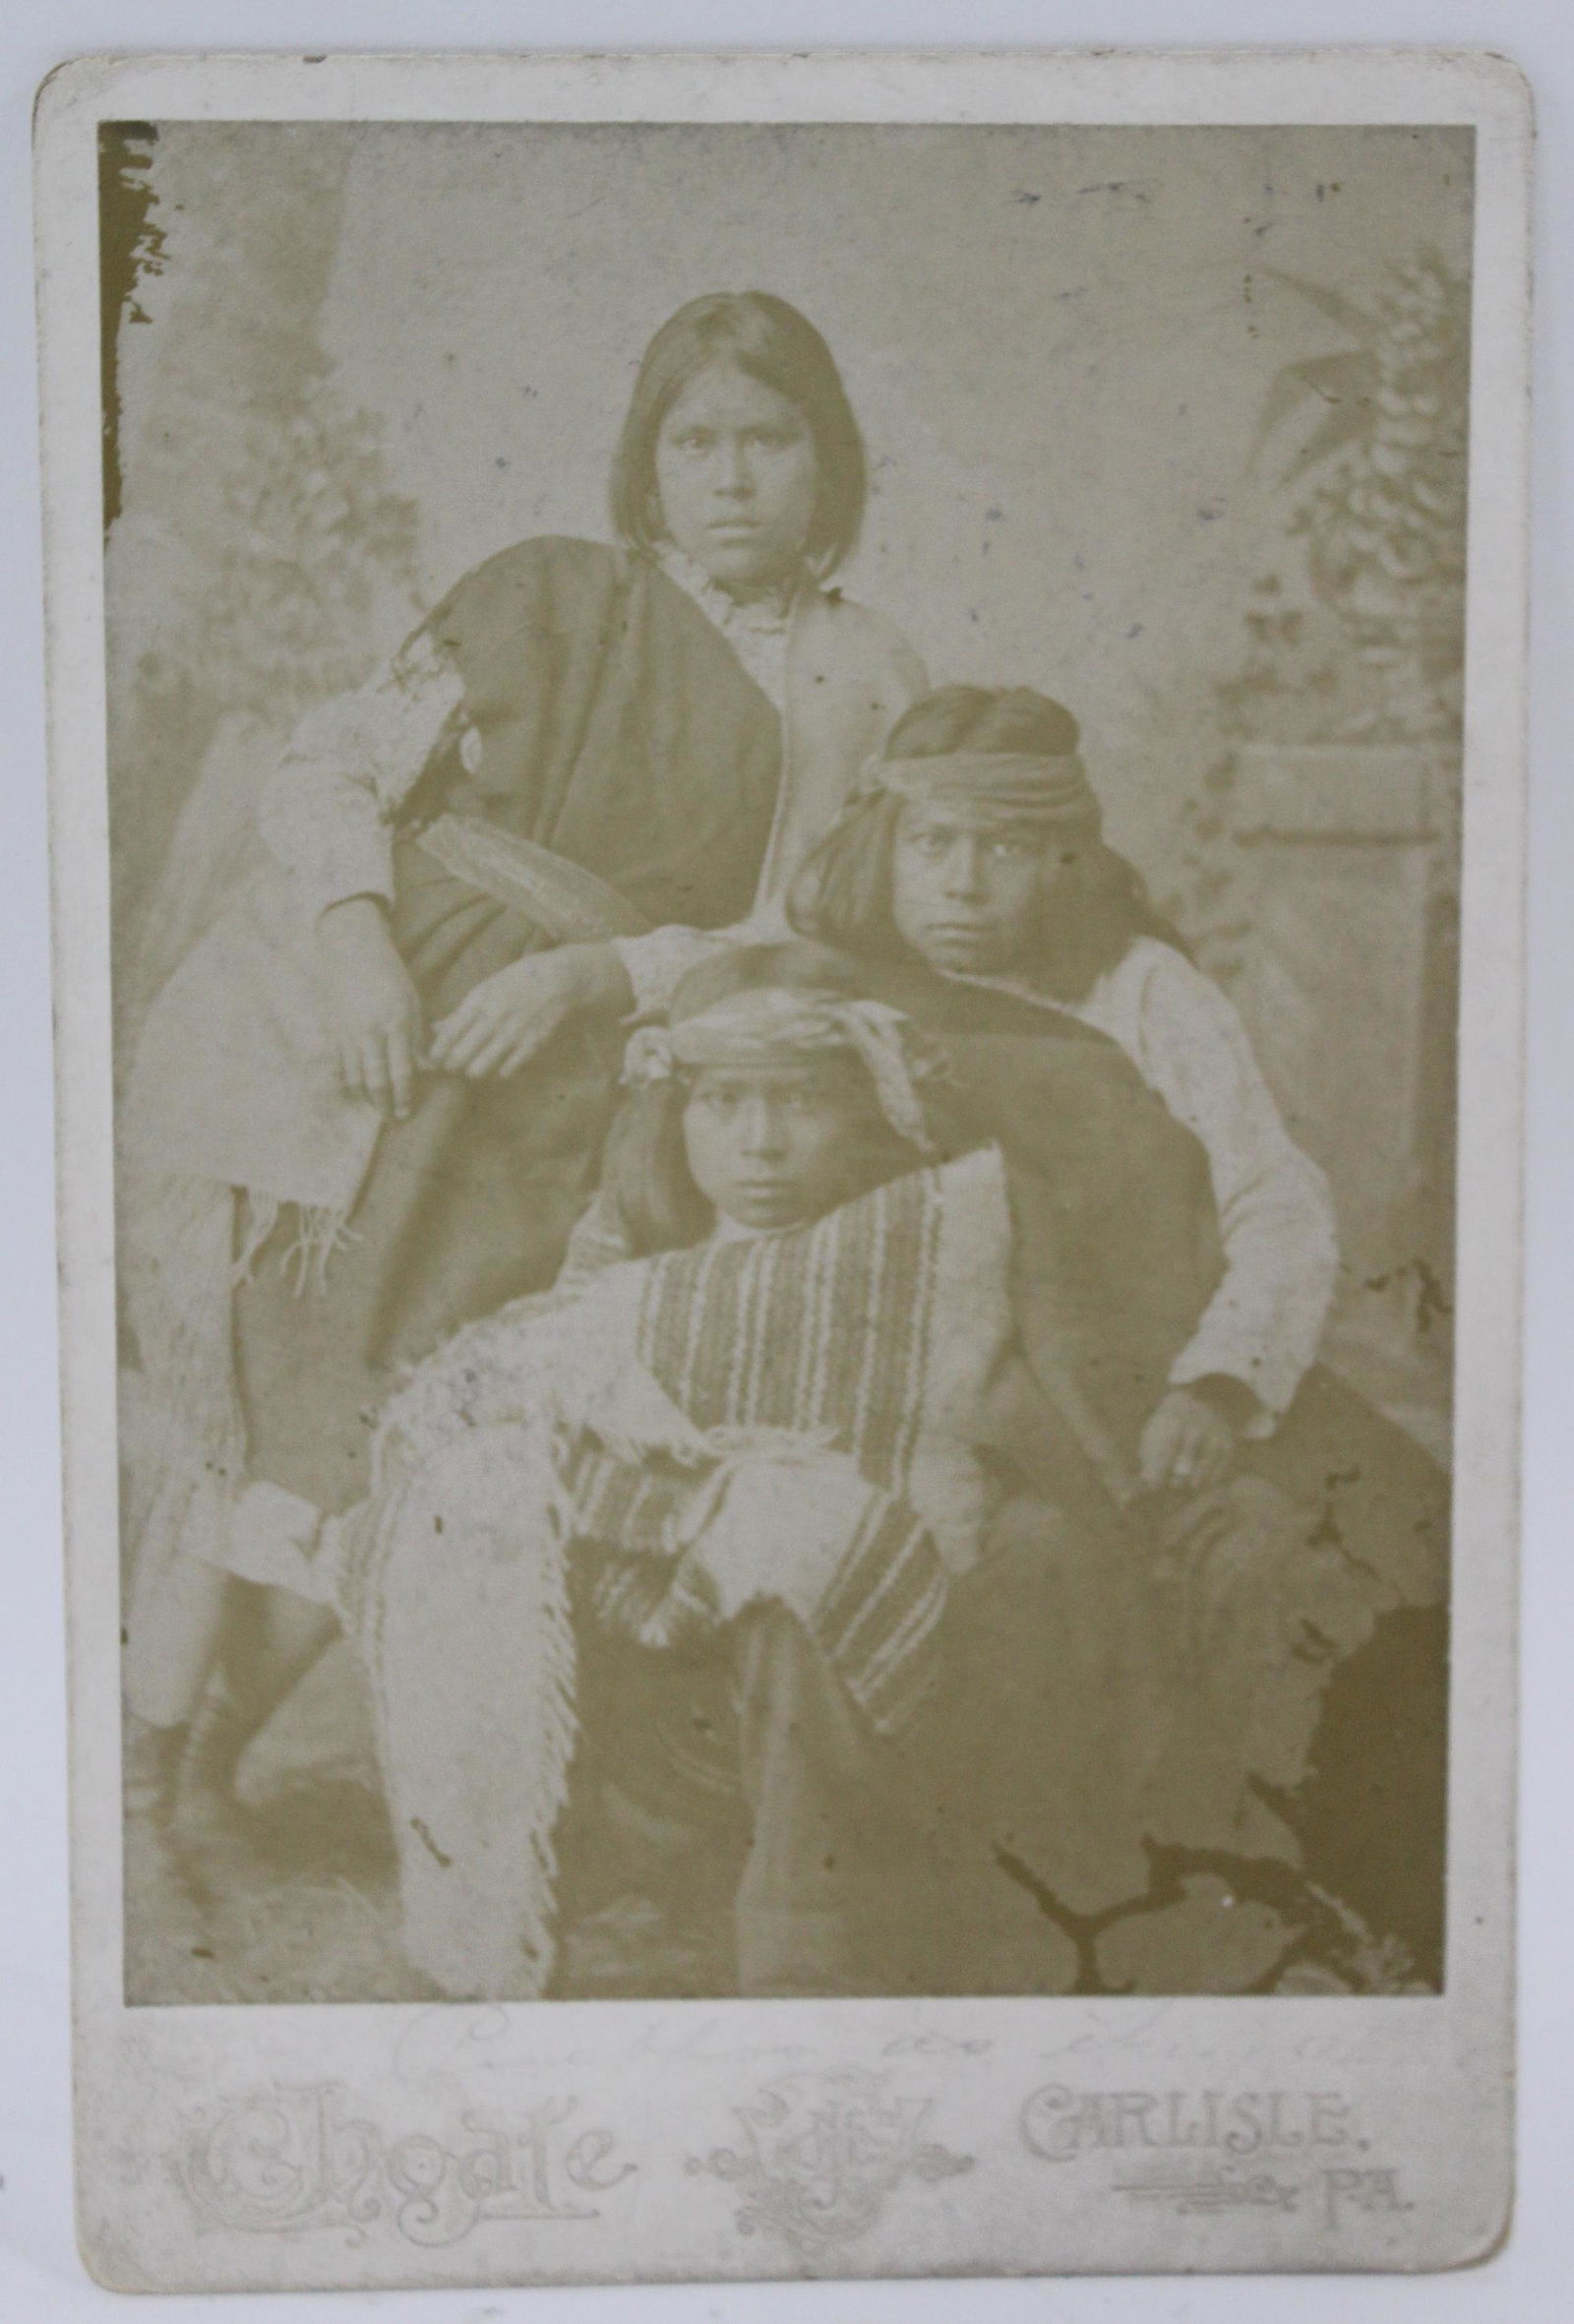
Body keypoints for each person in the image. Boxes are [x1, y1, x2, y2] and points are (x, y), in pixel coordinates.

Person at [119, 292, 927, 1880]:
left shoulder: (862, 672)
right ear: (647, 460)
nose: (734, 477)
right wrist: (359, 949)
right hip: (388, 1044)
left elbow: (805, 925)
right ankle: (152, 1758)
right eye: (696, 441)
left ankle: (265, 1751)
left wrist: (592, 974)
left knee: (426, 1418)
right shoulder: (550, 594)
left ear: (828, 463)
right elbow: (331, 764)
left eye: (771, 440)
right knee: (290, 1382)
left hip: (613, 1073)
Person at [785, 684, 1451, 1984]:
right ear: (888, 846)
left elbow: (1274, 1200)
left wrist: (1214, 1385)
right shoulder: (842, 997)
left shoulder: (1145, 993)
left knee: (1292, 1567)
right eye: (933, 844)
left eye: (1002, 850)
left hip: (1147, 1378)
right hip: (953, 1395)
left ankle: (1282, 1894)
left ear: (1064, 858)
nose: (962, 885)